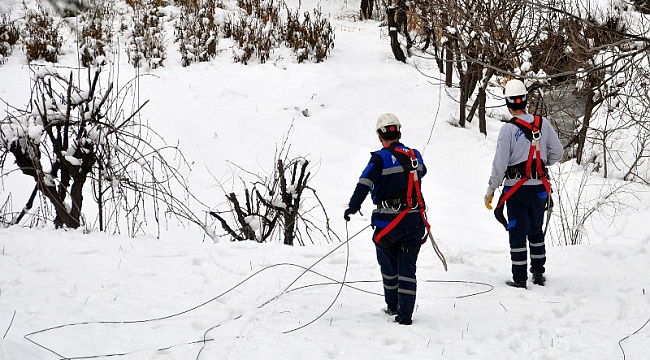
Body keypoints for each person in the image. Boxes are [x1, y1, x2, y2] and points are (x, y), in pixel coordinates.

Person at [344, 113, 428, 325]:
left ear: (380, 136)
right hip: (415, 221)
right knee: (408, 268)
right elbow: (422, 172)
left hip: (388, 224)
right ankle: (406, 315)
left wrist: (353, 207)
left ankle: (392, 306)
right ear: (399, 132)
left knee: (389, 266)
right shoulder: (414, 155)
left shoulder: (379, 158)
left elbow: (365, 182)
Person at [484, 79, 564, 289]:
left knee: (517, 233)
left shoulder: (508, 131)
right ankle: (538, 273)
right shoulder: (543, 124)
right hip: (539, 189)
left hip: (516, 190)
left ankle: (520, 278)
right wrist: (542, 163)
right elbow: (558, 152)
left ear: (508, 103)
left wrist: (492, 189)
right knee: (536, 230)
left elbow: (500, 164)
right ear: (526, 100)